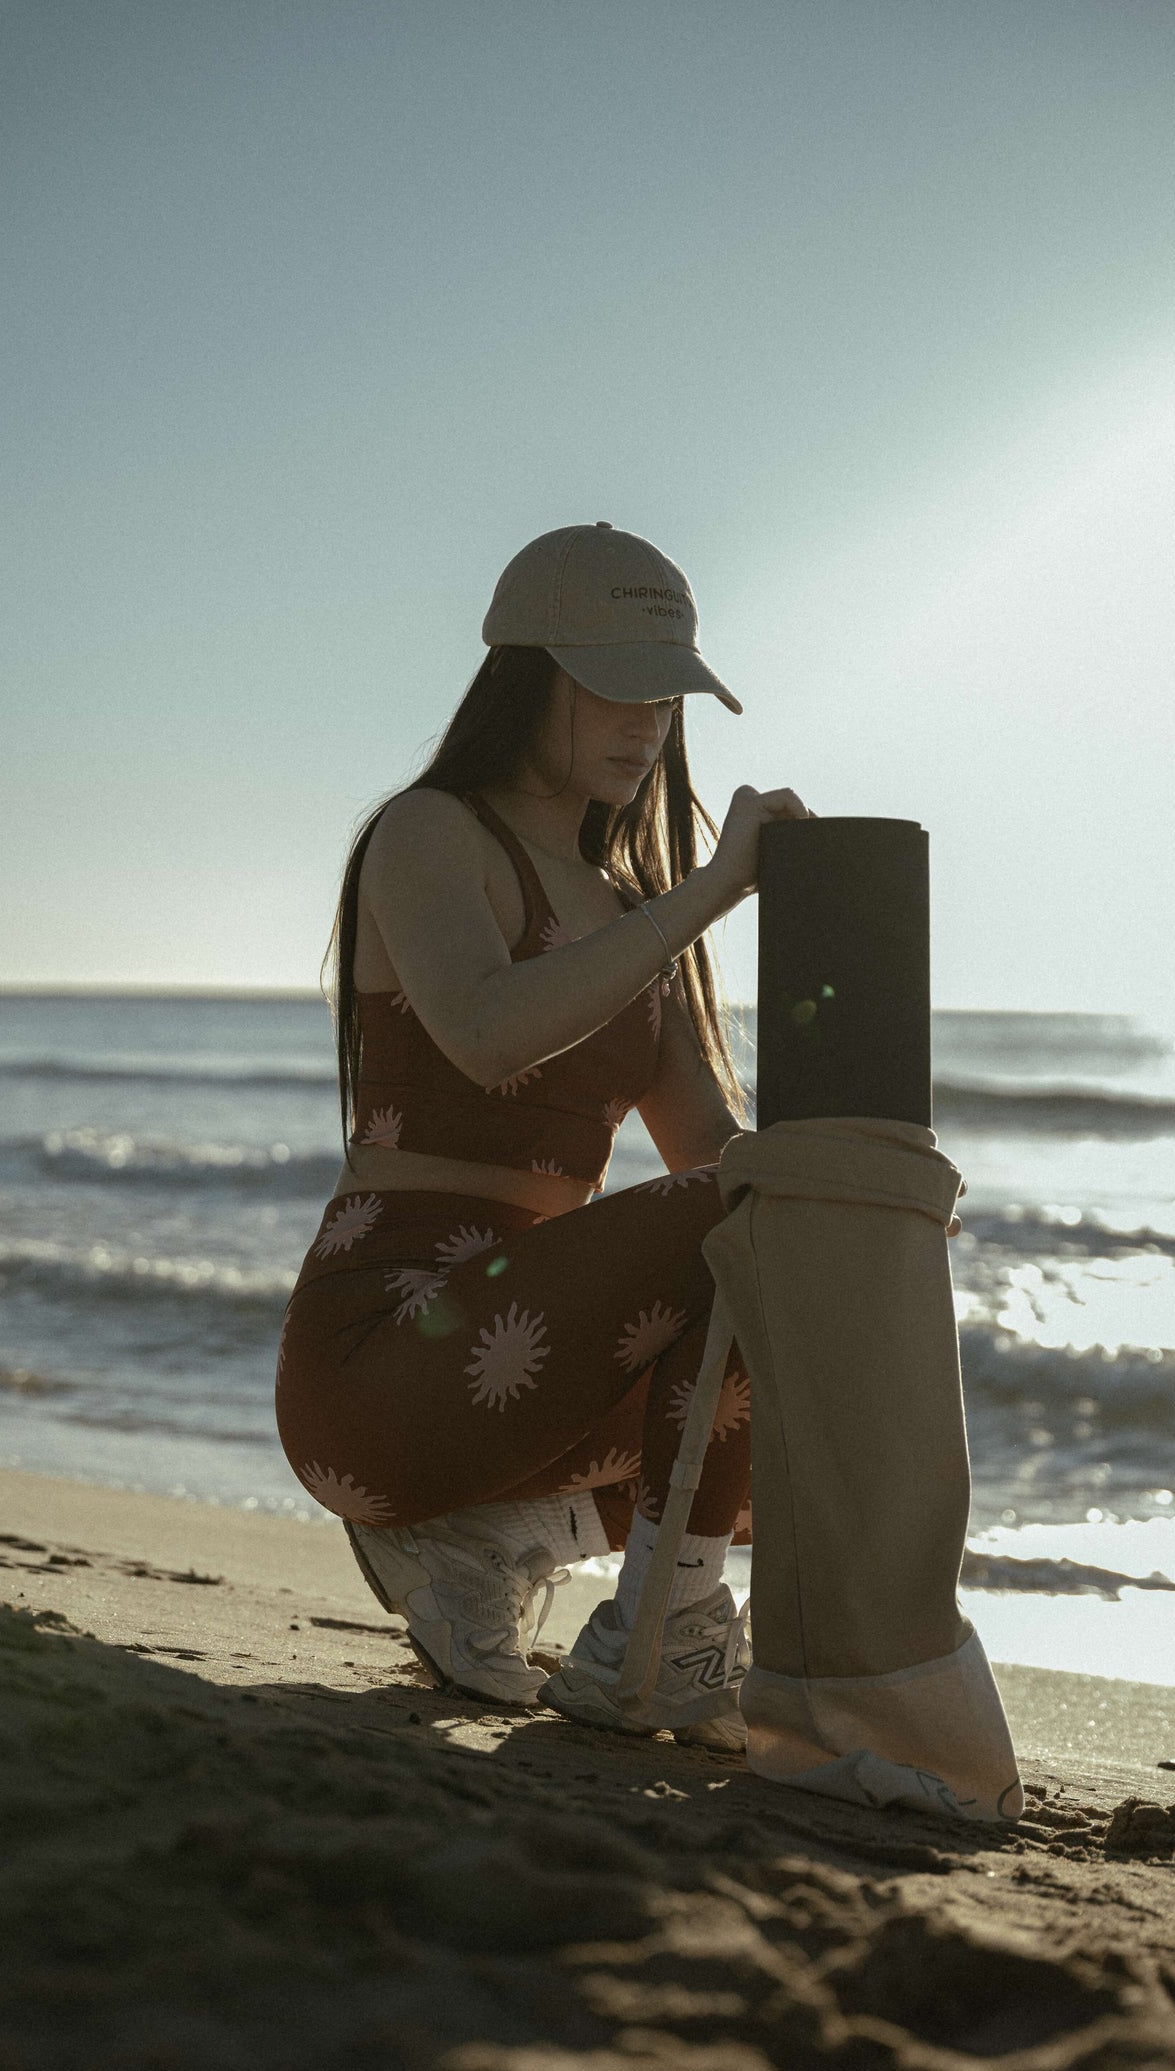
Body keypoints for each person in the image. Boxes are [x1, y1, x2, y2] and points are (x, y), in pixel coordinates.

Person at [274, 520, 814, 1749]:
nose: (644, 724)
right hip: (383, 1366)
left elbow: (714, 1162)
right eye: (612, 686)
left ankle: (511, 1546)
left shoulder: (634, 913)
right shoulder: (431, 833)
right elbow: (483, 1034)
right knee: (749, 1212)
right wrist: (708, 891)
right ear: (527, 677)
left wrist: (855, 1178)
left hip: (521, 1393)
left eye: (665, 695)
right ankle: (664, 1631)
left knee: (793, 1247)